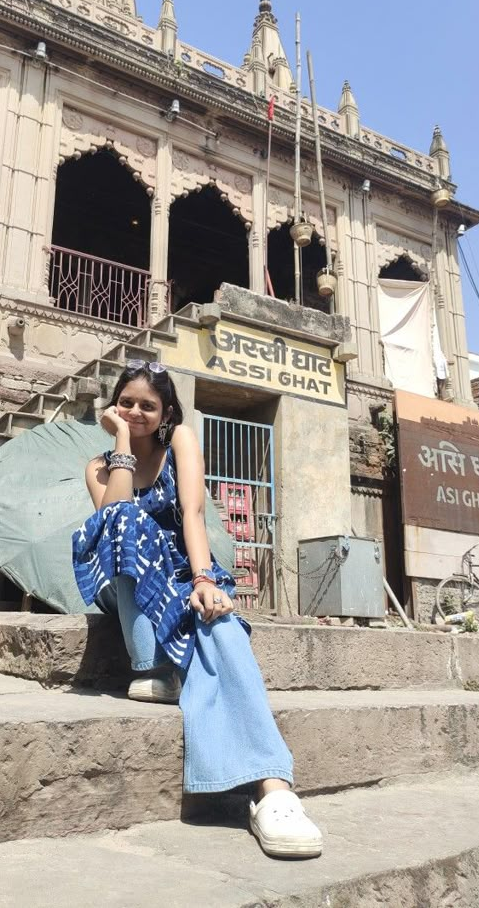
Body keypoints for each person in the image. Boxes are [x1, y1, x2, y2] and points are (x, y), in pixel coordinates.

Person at [72, 360, 323, 859]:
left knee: (218, 620)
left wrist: (205, 580)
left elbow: (191, 514)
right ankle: (152, 667)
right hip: (124, 584)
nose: (137, 412)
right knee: (123, 520)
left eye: (148, 405)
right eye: (127, 403)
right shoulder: (99, 467)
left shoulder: (180, 441)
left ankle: (273, 791)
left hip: (182, 569)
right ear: (113, 407)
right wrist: (121, 441)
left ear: (166, 412)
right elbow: (113, 518)